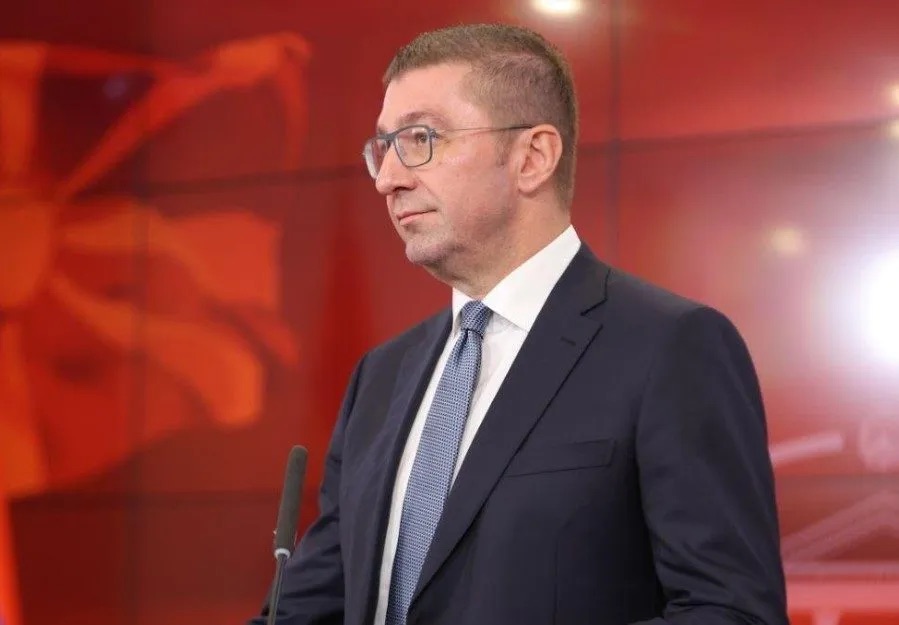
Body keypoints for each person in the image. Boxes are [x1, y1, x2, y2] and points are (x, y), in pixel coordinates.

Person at [249, 23, 788, 625]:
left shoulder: (670, 349)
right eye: (384, 147)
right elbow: (312, 606)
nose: (387, 179)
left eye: (421, 139)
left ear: (532, 158)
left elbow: (731, 611)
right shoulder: (380, 376)